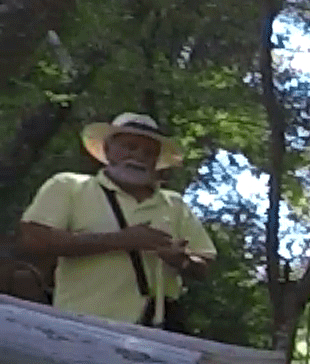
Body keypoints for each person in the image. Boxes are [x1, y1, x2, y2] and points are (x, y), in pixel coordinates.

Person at [16, 113, 216, 328]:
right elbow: (33, 240)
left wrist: (182, 260)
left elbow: (204, 265)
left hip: (157, 331)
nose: (138, 156)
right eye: (130, 147)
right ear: (108, 150)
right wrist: (122, 240)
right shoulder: (69, 186)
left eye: (149, 153)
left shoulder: (174, 204)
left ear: (157, 161)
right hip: (81, 324)